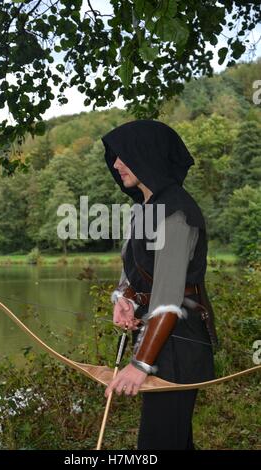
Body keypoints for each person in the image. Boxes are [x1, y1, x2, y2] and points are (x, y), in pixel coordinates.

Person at [101, 119, 217, 450]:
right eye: (115, 157)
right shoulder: (143, 209)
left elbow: (168, 298)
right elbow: (136, 271)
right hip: (158, 337)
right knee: (172, 440)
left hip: (179, 343)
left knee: (159, 443)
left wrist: (140, 365)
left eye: (123, 155)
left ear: (146, 154)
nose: (116, 164)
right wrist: (123, 298)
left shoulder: (177, 212)